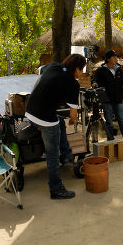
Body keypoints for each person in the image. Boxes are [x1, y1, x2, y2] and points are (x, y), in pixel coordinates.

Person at [25, 54, 87, 199]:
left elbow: (38, 70)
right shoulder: (73, 83)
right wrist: (73, 120)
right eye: (82, 69)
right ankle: (56, 189)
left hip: (30, 111)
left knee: (59, 122)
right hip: (44, 118)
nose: (82, 73)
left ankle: (66, 156)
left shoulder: (53, 66)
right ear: (76, 69)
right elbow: (73, 115)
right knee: (52, 154)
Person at [92, 49, 123, 149]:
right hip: (107, 100)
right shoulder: (101, 70)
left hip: (118, 100)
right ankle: (110, 141)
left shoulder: (119, 69)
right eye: (114, 56)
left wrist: (122, 93)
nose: (116, 58)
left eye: (116, 56)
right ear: (108, 59)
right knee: (109, 122)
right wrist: (94, 83)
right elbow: (94, 79)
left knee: (122, 121)